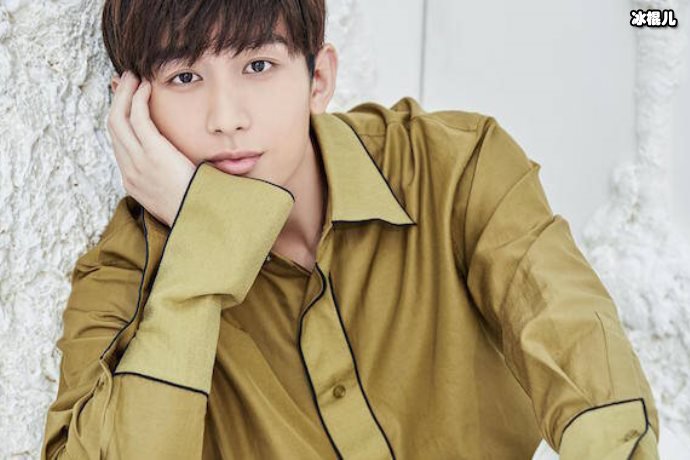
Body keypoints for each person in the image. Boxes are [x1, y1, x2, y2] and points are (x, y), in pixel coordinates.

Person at [40, 0, 660, 458]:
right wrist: (202, 254)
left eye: (258, 65)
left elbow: (579, 349)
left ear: (319, 79)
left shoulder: (454, 170)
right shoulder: (123, 279)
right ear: (132, 106)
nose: (226, 118)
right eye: (184, 77)